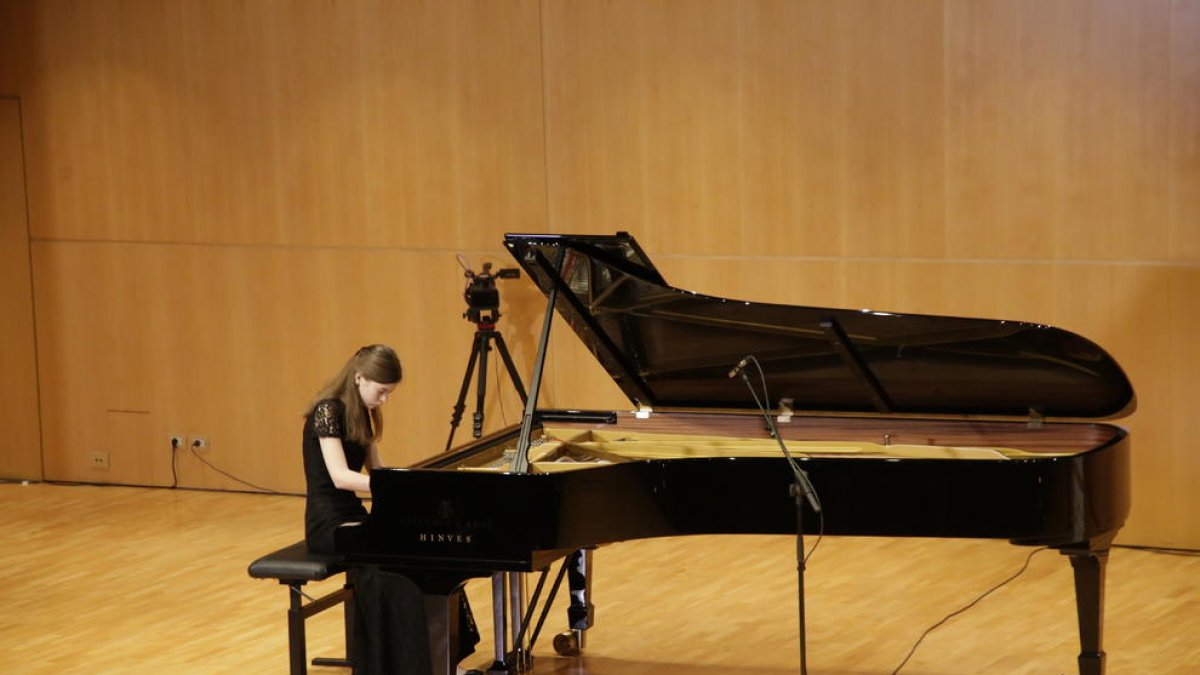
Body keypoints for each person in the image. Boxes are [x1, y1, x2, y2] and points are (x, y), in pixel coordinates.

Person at [301, 344, 479, 675]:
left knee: (423, 552)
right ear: (359, 378)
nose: (384, 400)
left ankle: (444, 658)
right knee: (391, 572)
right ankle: (400, 664)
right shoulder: (327, 411)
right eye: (381, 391)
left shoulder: (361, 415)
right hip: (328, 524)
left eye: (389, 394)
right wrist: (398, 489)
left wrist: (407, 494)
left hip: (354, 516)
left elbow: (378, 472)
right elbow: (341, 478)